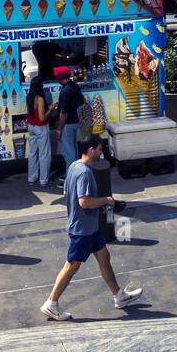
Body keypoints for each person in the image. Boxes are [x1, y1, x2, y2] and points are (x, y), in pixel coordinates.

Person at [40, 134, 142, 321]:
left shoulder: (73, 166)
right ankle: (51, 303)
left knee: (104, 257)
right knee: (71, 266)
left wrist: (97, 206)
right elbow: (84, 202)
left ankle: (119, 296)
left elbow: (66, 192)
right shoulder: (85, 173)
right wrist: (105, 200)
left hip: (89, 227)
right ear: (91, 150)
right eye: (100, 149)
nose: (101, 153)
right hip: (83, 230)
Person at [52, 66, 84, 187]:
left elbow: (63, 113)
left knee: (69, 154)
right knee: (74, 150)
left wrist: (59, 129)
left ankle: (71, 182)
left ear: (59, 79)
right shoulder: (75, 86)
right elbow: (81, 101)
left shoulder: (65, 91)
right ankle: (71, 176)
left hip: (68, 125)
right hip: (75, 122)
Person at [25, 74, 51, 187]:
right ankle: (43, 180)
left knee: (33, 153)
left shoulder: (29, 96)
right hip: (41, 127)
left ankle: (32, 177)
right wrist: (51, 109)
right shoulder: (39, 99)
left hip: (31, 126)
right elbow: (42, 118)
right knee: (44, 154)